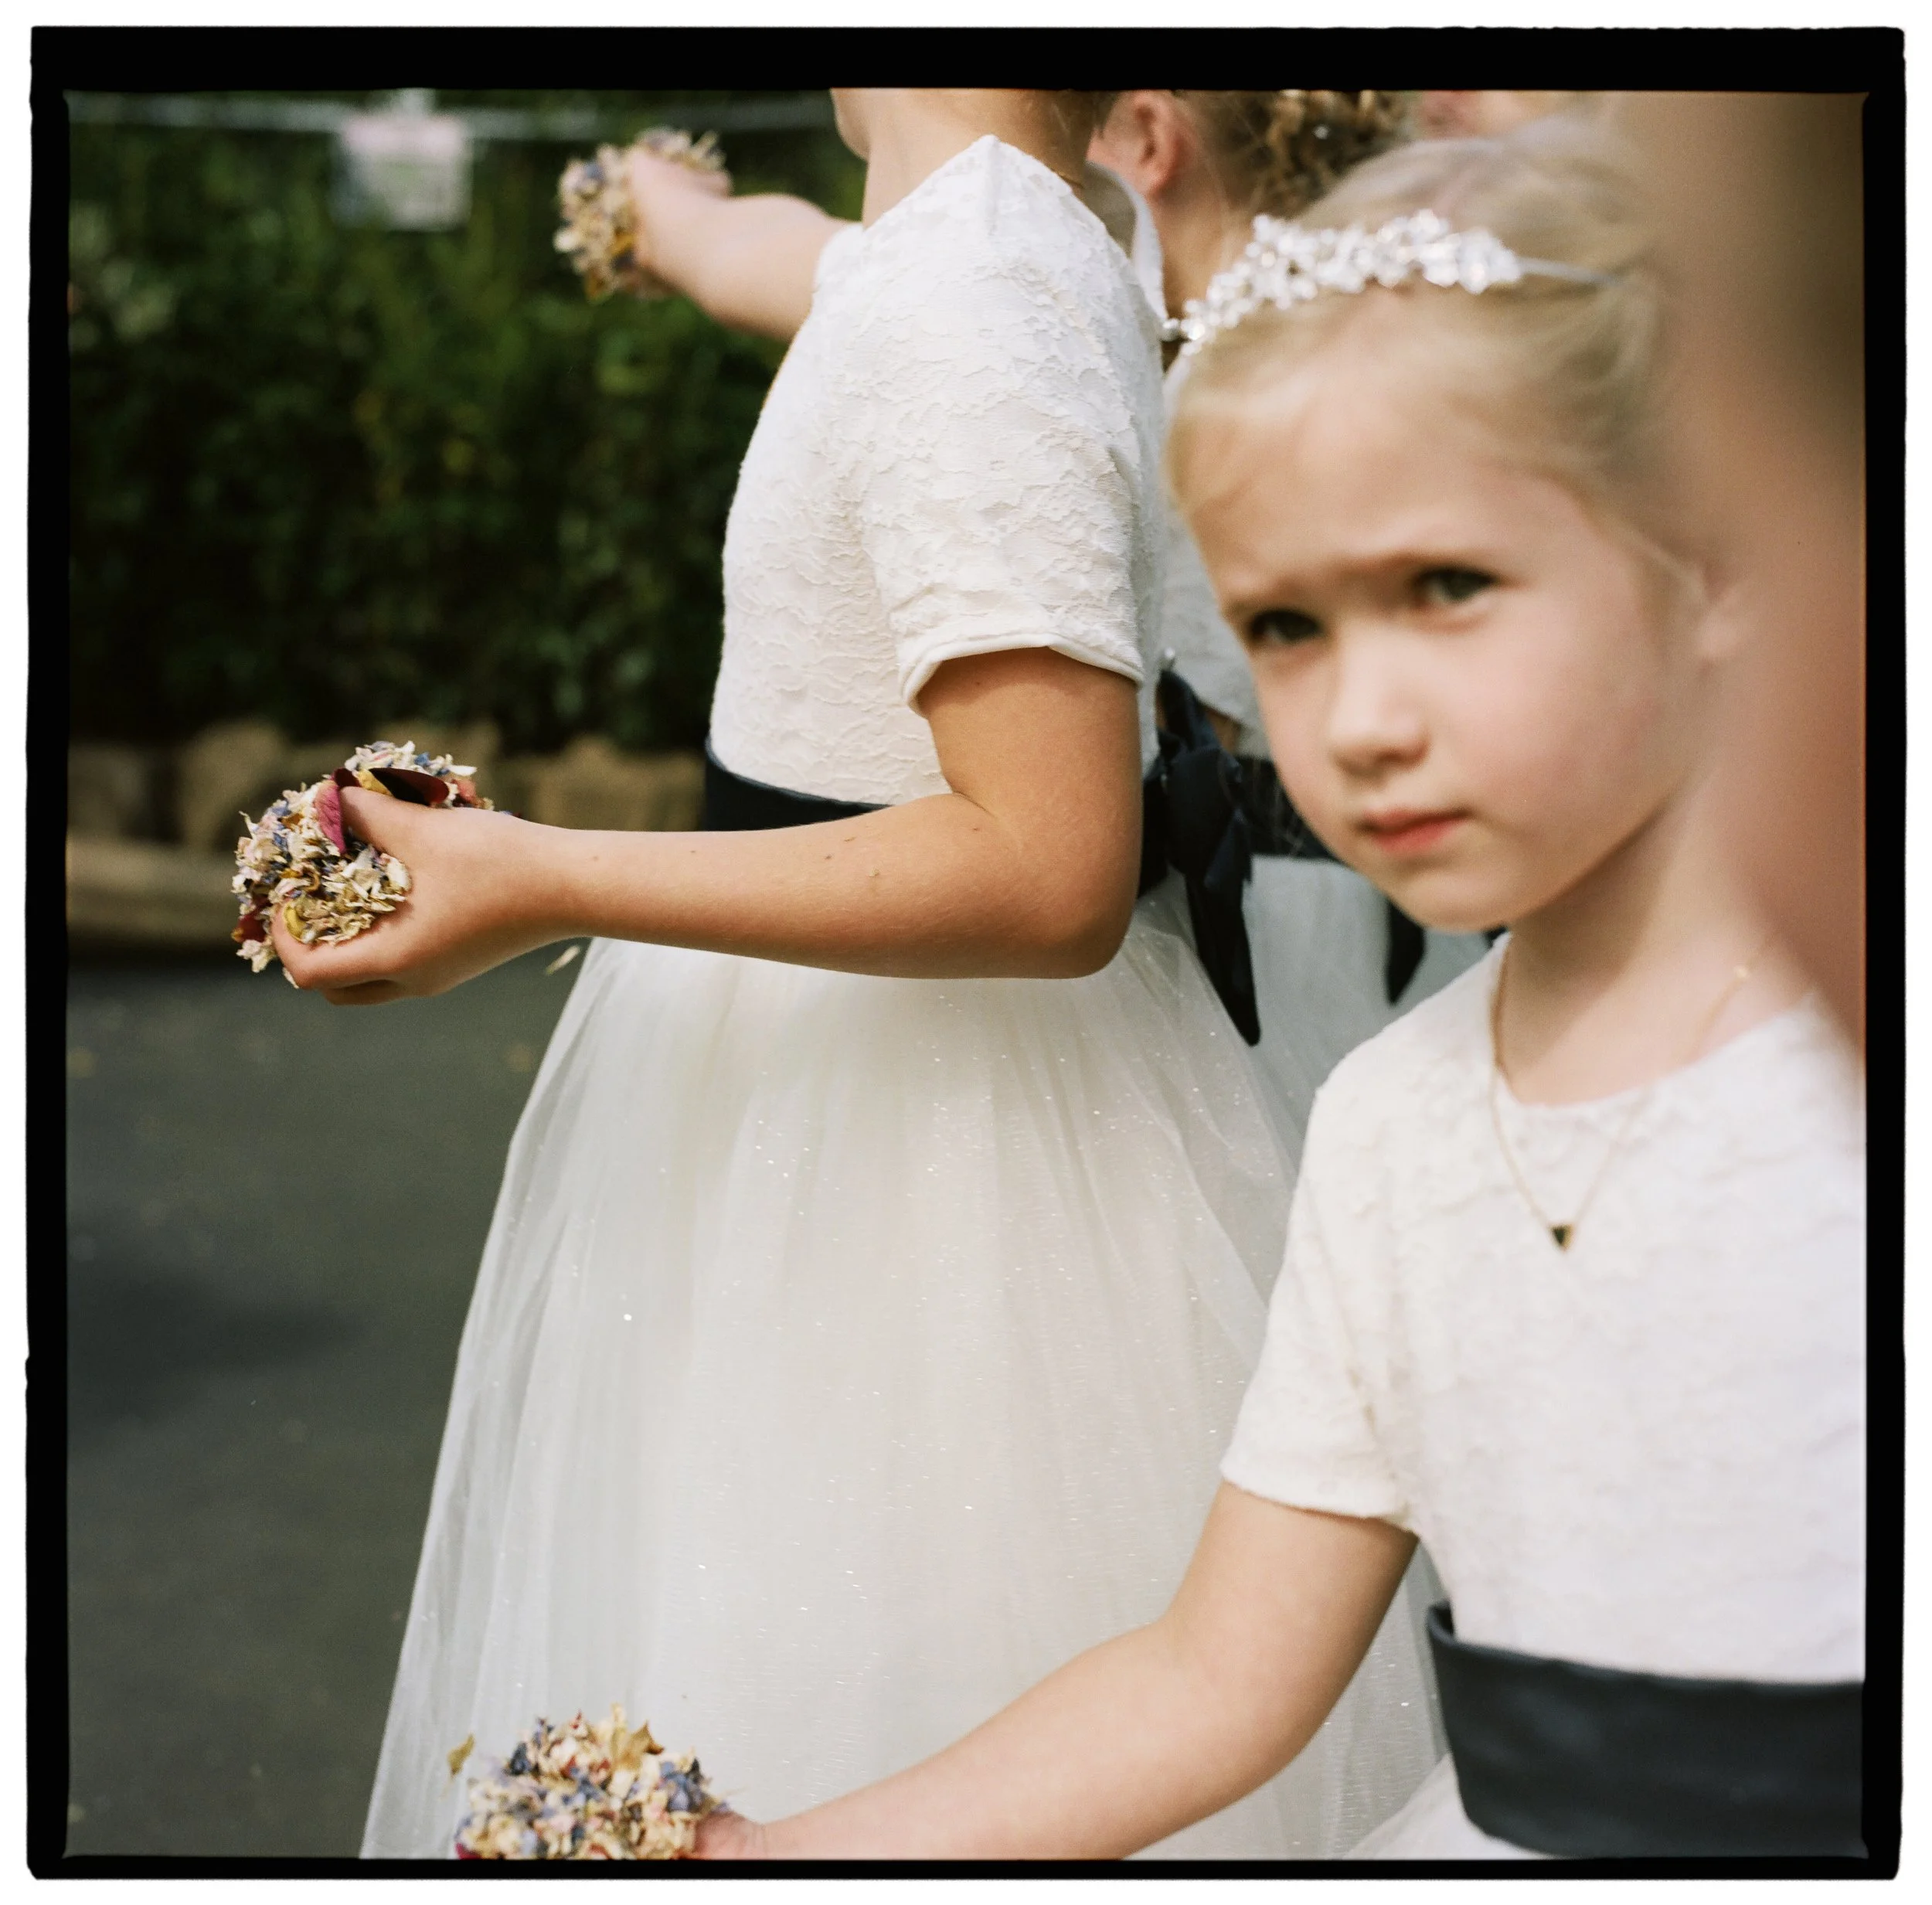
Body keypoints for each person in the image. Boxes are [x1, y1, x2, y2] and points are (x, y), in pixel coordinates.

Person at [692, 115, 1867, 1862]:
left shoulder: (1849, 1072)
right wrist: (784, 1856)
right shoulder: (1390, 1122)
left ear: (1717, 561)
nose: (1359, 721)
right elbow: (1212, 1678)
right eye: (1290, 630)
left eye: (1446, 586)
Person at [292, 89, 1435, 1857]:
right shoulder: (1006, 238)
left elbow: (1048, 864)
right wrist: (657, 215)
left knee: (843, 1654)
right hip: (860, 1090)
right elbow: (797, 263)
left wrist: (535, 876)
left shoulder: (969, 291)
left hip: (902, 1154)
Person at [1090, 90, 1488, 1162]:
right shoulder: (1378, 339)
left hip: (1273, 932)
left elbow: (1197, 723)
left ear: (1149, 140)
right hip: (1391, 905)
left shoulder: (1214, 395)